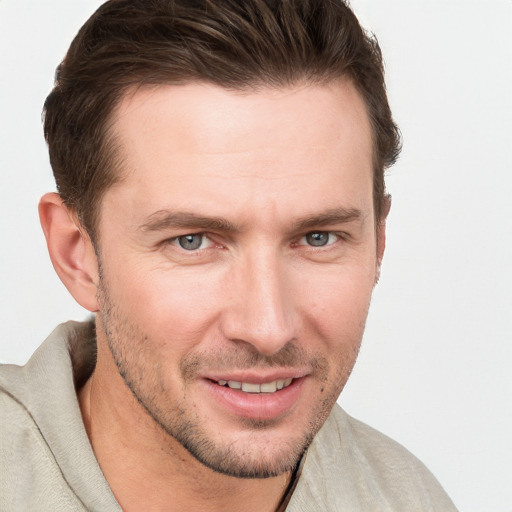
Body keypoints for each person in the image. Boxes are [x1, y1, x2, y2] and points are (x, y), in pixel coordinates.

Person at [0, 1, 458, 510]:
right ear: (76, 254)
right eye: (191, 241)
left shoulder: (410, 499)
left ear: (379, 242)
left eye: (318, 238)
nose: (267, 328)